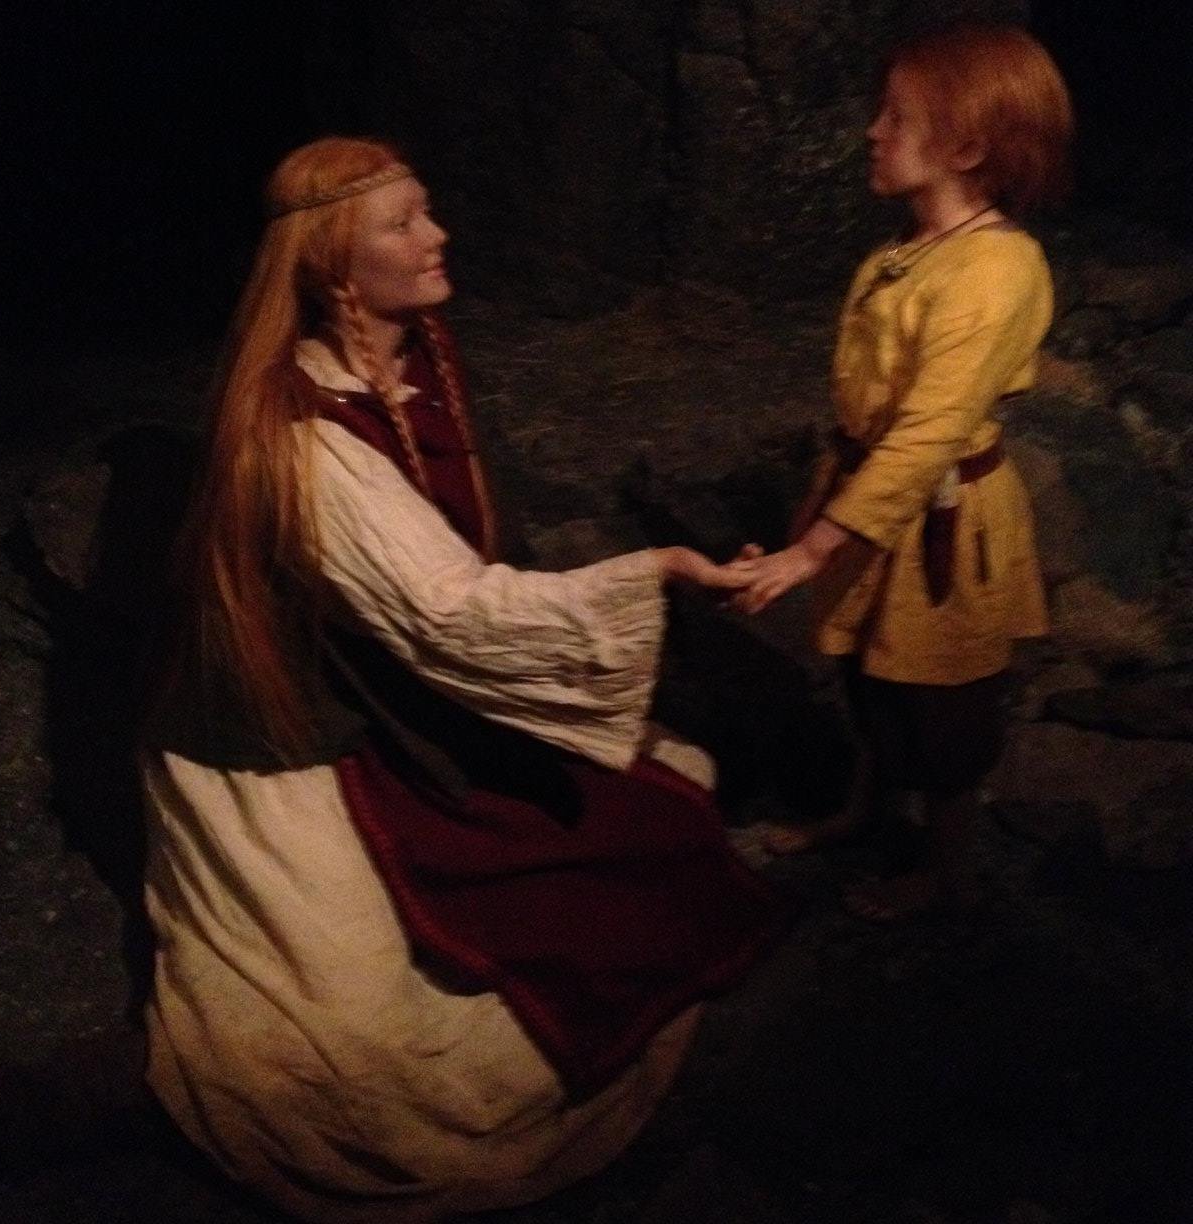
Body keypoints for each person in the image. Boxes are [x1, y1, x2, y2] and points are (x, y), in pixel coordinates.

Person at [136, 136, 781, 1221]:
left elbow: (462, 568)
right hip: (280, 742)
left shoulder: (419, 351)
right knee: (363, 1065)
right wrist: (658, 571)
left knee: (661, 811)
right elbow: (449, 612)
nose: (437, 238)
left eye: (429, 211)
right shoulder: (301, 440)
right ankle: (59, 1110)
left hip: (392, 696)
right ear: (338, 270)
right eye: (403, 225)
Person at [734, 24, 1073, 920]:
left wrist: (810, 552)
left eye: (897, 117)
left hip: (941, 528)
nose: (872, 133)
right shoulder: (904, 253)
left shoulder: (998, 269)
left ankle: (945, 869)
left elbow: (925, 436)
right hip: (874, 507)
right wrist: (818, 512)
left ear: (965, 146)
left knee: (944, 709)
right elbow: (865, 414)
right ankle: (860, 812)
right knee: (870, 678)